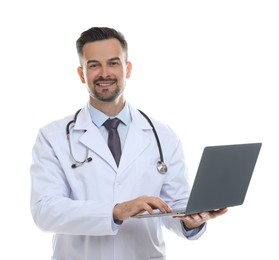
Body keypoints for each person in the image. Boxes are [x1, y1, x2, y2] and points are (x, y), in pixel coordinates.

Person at [30, 27, 227, 260]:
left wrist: (190, 220)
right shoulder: (52, 137)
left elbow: (174, 206)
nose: (105, 73)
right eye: (94, 65)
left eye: (113, 63)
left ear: (128, 69)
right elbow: (45, 211)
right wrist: (116, 211)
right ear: (81, 74)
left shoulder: (163, 136)